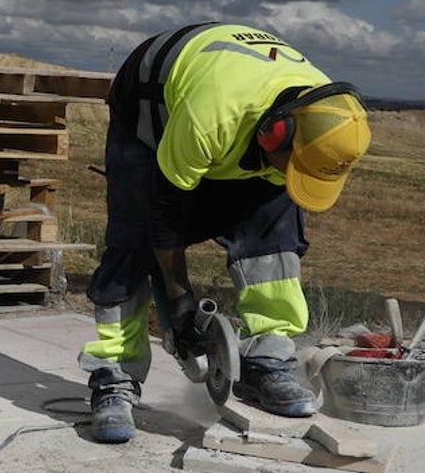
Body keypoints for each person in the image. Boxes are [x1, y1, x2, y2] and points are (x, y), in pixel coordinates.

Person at [78, 22, 371, 443]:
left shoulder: (326, 112)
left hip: (242, 114)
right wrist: (179, 297)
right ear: (276, 134)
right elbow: (165, 212)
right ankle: (114, 375)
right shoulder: (213, 115)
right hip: (149, 105)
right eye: (291, 165)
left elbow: (282, 185)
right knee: (134, 238)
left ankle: (268, 359)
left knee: (273, 236)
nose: (291, 176)